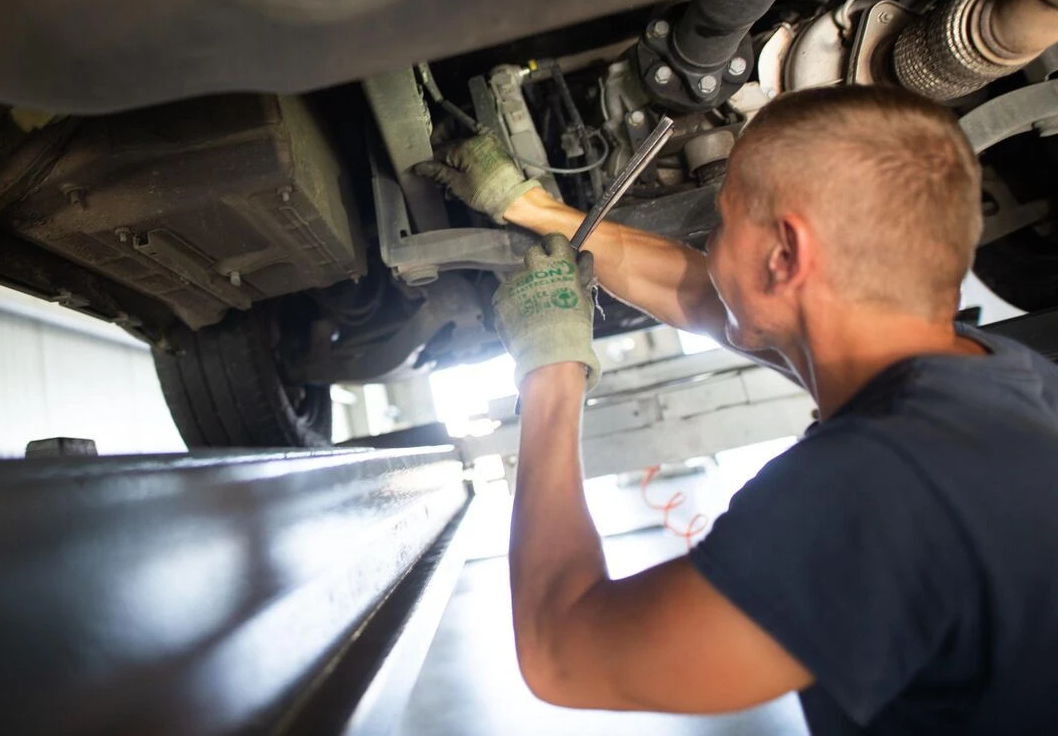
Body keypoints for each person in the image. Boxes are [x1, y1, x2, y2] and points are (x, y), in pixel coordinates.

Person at [416, 85, 1058, 734]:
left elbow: (562, 652)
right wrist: (531, 208)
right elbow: (709, 300)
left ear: (785, 254)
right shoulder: (1002, 381)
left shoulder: (879, 488)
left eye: (724, 223)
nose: (714, 245)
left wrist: (549, 370)